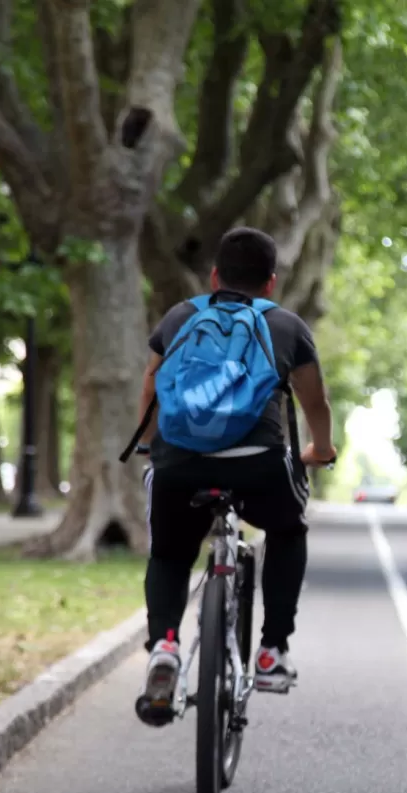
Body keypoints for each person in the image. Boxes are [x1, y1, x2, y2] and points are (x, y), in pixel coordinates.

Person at [132, 227, 337, 726]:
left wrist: (147, 444)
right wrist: (321, 450)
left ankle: (164, 645)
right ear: (271, 283)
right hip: (259, 462)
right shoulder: (287, 326)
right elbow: (315, 403)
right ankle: (271, 652)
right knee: (288, 531)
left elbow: (153, 385)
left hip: (180, 461)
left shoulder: (182, 316)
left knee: (170, 552)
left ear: (214, 276)